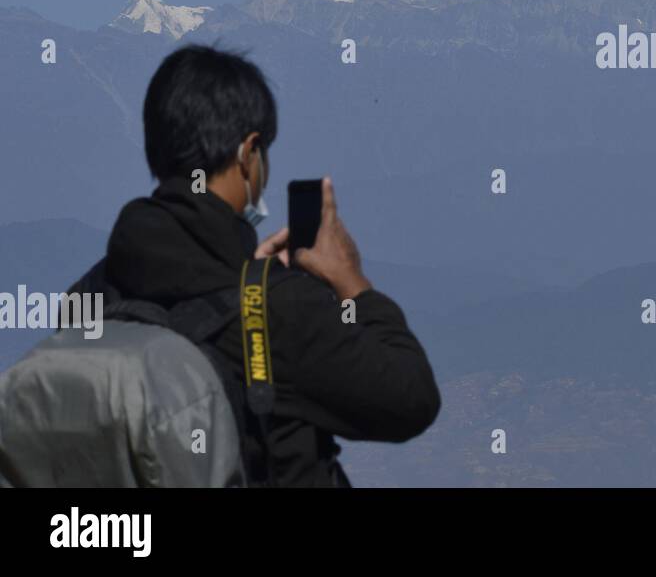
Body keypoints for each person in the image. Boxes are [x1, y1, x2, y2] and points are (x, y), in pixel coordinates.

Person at [93, 43, 440, 486]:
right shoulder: (277, 309)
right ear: (248, 153)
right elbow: (410, 399)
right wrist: (351, 280)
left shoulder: (89, 297)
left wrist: (247, 279)